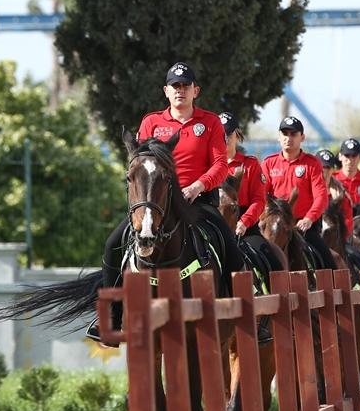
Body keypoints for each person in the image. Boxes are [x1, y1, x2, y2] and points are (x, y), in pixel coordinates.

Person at [100, 62, 245, 297]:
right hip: (155, 202)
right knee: (111, 245)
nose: (180, 90)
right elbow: (140, 164)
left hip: (198, 202)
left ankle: (244, 312)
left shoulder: (209, 122)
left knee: (230, 247)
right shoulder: (151, 122)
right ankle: (112, 315)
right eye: (174, 86)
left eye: (185, 85)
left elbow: (220, 165)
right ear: (166, 91)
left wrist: (198, 186)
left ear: (195, 91)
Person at [262, 117, 336, 270]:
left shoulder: (312, 163)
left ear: (302, 137)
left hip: (303, 227)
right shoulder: (268, 163)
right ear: (279, 136)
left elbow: (321, 197)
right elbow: (260, 195)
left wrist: (309, 219)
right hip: (274, 226)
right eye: (285, 133)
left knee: (328, 262)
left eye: (293, 134)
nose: (288, 138)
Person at [316, 148, 353, 234]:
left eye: (328, 167)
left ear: (333, 170)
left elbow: (348, 222)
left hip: (336, 239)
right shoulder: (305, 191)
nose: (324, 171)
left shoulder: (341, 195)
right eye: (321, 167)